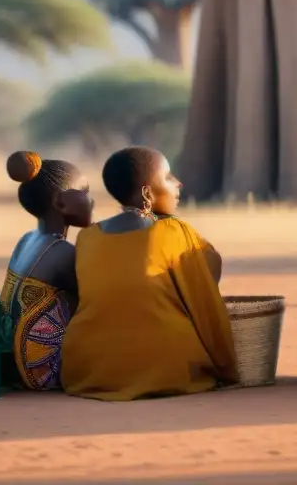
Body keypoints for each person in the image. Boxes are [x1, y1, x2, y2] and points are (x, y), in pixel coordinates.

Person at [60, 146, 238, 401]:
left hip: (89, 369)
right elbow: (206, 293)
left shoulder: (87, 237)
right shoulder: (173, 231)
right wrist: (226, 365)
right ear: (147, 192)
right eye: (168, 177)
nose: (178, 183)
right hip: (167, 367)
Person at [0, 151, 92, 391]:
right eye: (84, 193)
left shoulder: (27, 239)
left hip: (11, 363)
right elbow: (95, 300)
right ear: (60, 202)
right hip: (40, 368)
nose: (90, 201)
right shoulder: (61, 251)